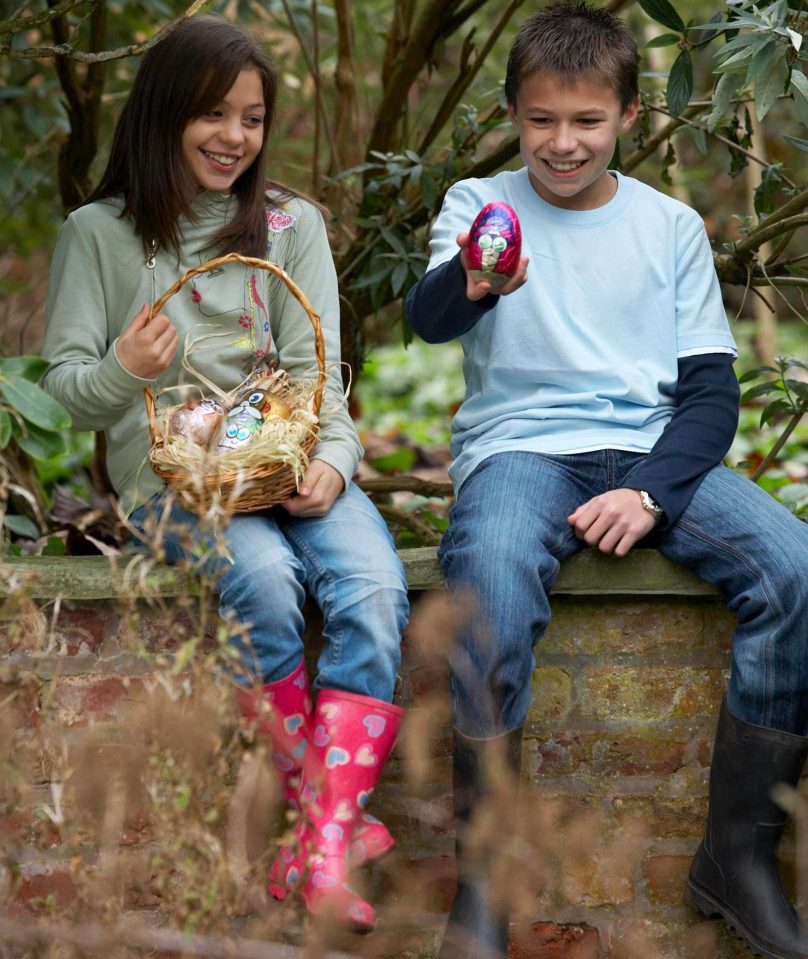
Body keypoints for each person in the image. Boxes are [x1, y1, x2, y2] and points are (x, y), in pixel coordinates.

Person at [405, 3, 808, 957]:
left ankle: (739, 858)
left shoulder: (666, 226)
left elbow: (710, 397)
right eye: (542, 119)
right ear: (512, 112)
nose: (562, 142)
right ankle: (484, 881)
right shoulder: (479, 208)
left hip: (652, 455)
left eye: (587, 121)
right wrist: (474, 281)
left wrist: (653, 492)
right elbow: (426, 321)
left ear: (630, 116)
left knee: (795, 568)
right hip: (521, 451)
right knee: (493, 574)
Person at [40, 15, 409, 932]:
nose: (233, 137)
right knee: (268, 583)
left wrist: (333, 460)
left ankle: (317, 840)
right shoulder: (100, 234)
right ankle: (332, 832)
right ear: (163, 114)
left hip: (286, 464)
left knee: (371, 584)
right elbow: (65, 395)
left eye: (251, 118)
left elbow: (319, 376)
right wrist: (126, 366)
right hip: (173, 485)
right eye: (211, 114)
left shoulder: (291, 225)